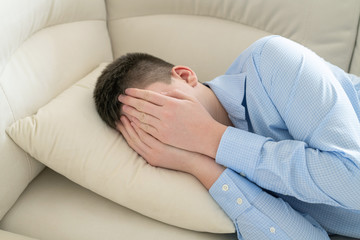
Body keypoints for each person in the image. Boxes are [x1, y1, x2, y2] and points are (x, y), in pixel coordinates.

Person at [94, 35, 360, 239]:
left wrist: (214, 137)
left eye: (163, 110)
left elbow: (355, 183)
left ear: (185, 77)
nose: (168, 130)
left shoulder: (272, 60)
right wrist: (200, 165)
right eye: (151, 132)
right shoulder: (208, 171)